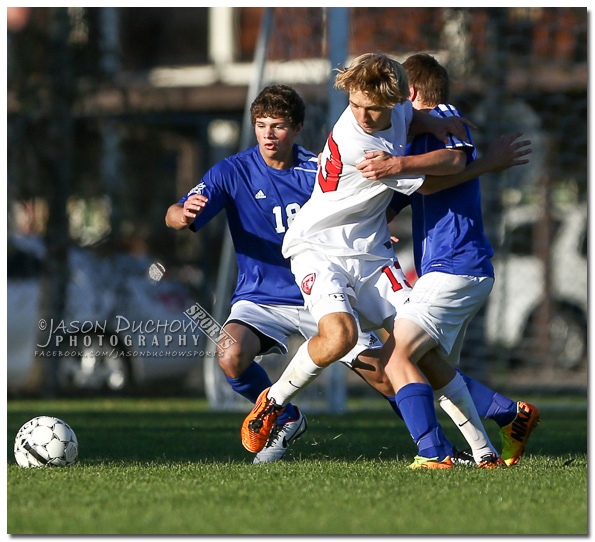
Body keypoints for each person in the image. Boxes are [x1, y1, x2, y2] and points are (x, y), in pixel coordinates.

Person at [241, 53, 528, 468]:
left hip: (371, 254)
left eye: (372, 108)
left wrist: (429, 122)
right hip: (321, 249)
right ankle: (273, 402)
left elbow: (409, 119)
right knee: (339, 337)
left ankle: (481, 453)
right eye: (355, 105)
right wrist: (483, 162)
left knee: (419, 355)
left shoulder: (397, 110)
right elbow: (444, 170)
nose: (362, 115)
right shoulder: (364, 145)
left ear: (396, 99)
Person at [166, 84, 400, 464]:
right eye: (260, 125)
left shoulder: (318, 171)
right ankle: (285, 416)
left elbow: (352, 213)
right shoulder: (233, 171)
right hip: (261, 297)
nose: (268, 134)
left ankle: (434, 447)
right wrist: (183, 213)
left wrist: (369, 234)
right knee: (230, 352)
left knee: (388, 376)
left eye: (277, 126)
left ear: (297, 128)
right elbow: (173, 214)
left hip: (323, 293)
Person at [356, 53, 539, 467]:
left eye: (397, 92)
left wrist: (398, 165)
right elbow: (415, 190)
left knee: (396, 359)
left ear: (413, 91)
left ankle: (433, 454)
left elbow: (454, 161)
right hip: (451, 269)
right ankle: (498, 434)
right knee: (432, 370)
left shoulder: (443, 115)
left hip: (457, 266)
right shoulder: (416, 134)